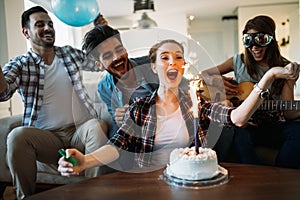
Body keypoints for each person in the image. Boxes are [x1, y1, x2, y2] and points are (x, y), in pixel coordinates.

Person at [58, 39, 299, 176]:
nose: (172, 62)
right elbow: (118, 146)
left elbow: (236, 118)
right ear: (153, 67)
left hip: (191, 180)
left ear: (183, 66)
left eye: (178, 57)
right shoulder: (141, 107)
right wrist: (85, 160)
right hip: (150, 182)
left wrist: (267, 79)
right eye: (164, 57)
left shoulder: (196, 103)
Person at [0, 6, 108, 199]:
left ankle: (93, 193)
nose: (48, 28)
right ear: (26, 32)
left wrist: (102, 35)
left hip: (78, 132)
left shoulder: (69, 54)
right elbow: (4, 92)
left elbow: (99, 63)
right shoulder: (21, 64)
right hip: (47, 139)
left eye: (50, 24)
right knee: (16, 135)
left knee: (97, 125)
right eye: (40, 25)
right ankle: (25, 197)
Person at [201, 15, 300, 168]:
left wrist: (291, 79)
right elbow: (204, 74)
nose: (254, 47)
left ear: (271, 40)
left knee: (296, 131)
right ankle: (253, 179)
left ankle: (283, 176)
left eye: (261, 40)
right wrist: (215, 80)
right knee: (238, 135)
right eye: (248, 40)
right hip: (245, 124)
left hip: (271, 124)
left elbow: (288, 112)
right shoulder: (238, 61)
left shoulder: (284, 67)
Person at [82, 25, 158, 138]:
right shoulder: (104, 87)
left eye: (119, 50)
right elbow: (118, 122)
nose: (117, 57)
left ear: (125, 50)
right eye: (107, 55)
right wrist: (119, 119)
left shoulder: (152, 65)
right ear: (99, 65)